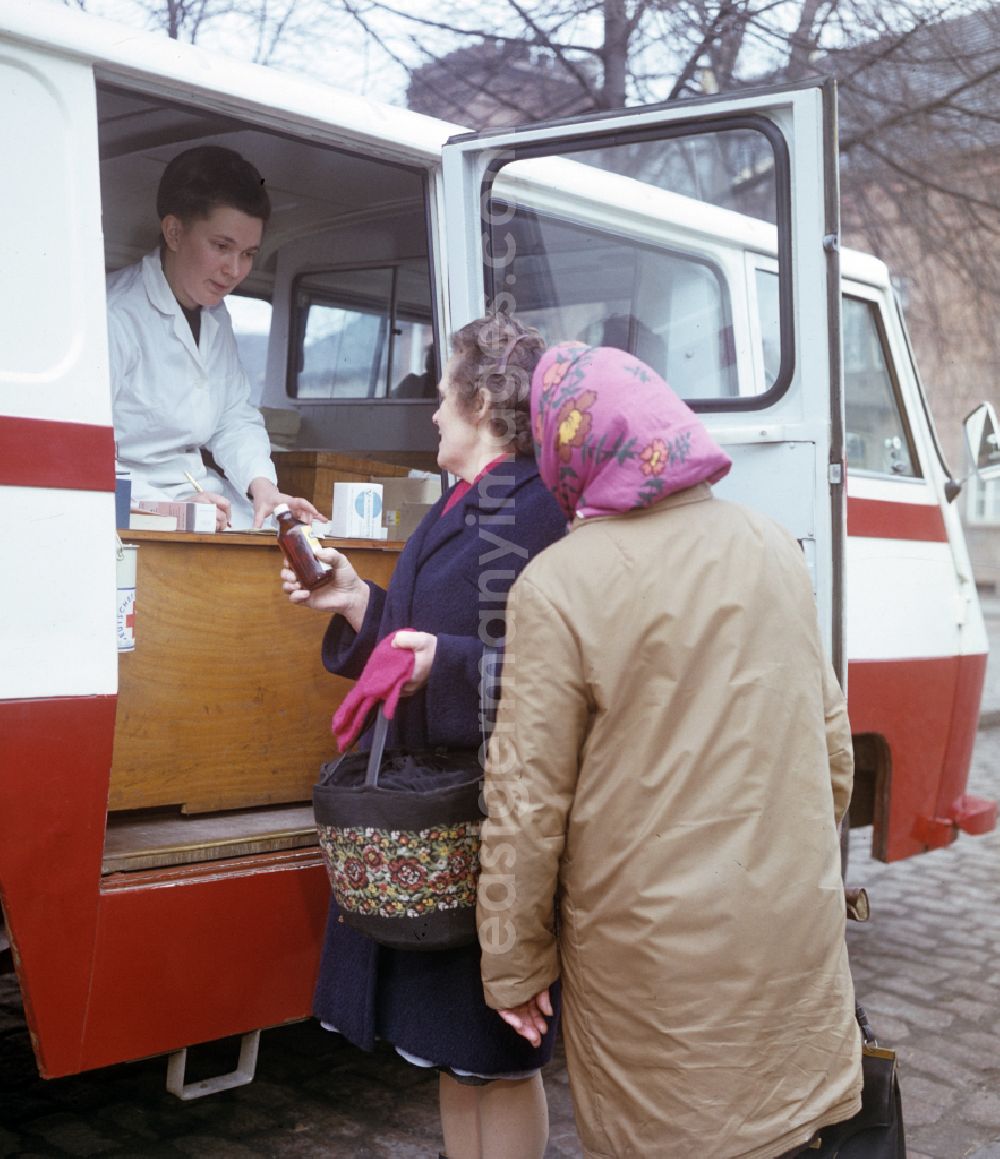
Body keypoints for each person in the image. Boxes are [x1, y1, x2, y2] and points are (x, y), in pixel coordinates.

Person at [477, 342, 863, 1158]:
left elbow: (526, 803)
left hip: (651, 966)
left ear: (567, 449)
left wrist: (513, 964)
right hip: (790, 936)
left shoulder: (556, 583)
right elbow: (833, 753)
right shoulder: (771, 545)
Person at [282, 312, 567, 1159]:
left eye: (444, 395)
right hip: (438, 822)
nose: (433, 414)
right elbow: (418, 633)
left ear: (481, 400)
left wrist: (445, 664)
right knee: (452, 1047)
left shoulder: (537, 512)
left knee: (496, 1054)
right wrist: (354, 600)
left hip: (489, 825)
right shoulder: (466, 501)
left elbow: (552, 670)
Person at [106, 145, 321, 530]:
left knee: (301, 539)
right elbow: (85, 458)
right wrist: (163, 508)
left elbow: (233, 418)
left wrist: (264, 487)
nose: (235, 270)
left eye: (248, 253)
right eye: (221, 247)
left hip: (200, 493)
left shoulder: (216, 316)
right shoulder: (114, 315)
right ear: (174, 232)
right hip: (126, 504)